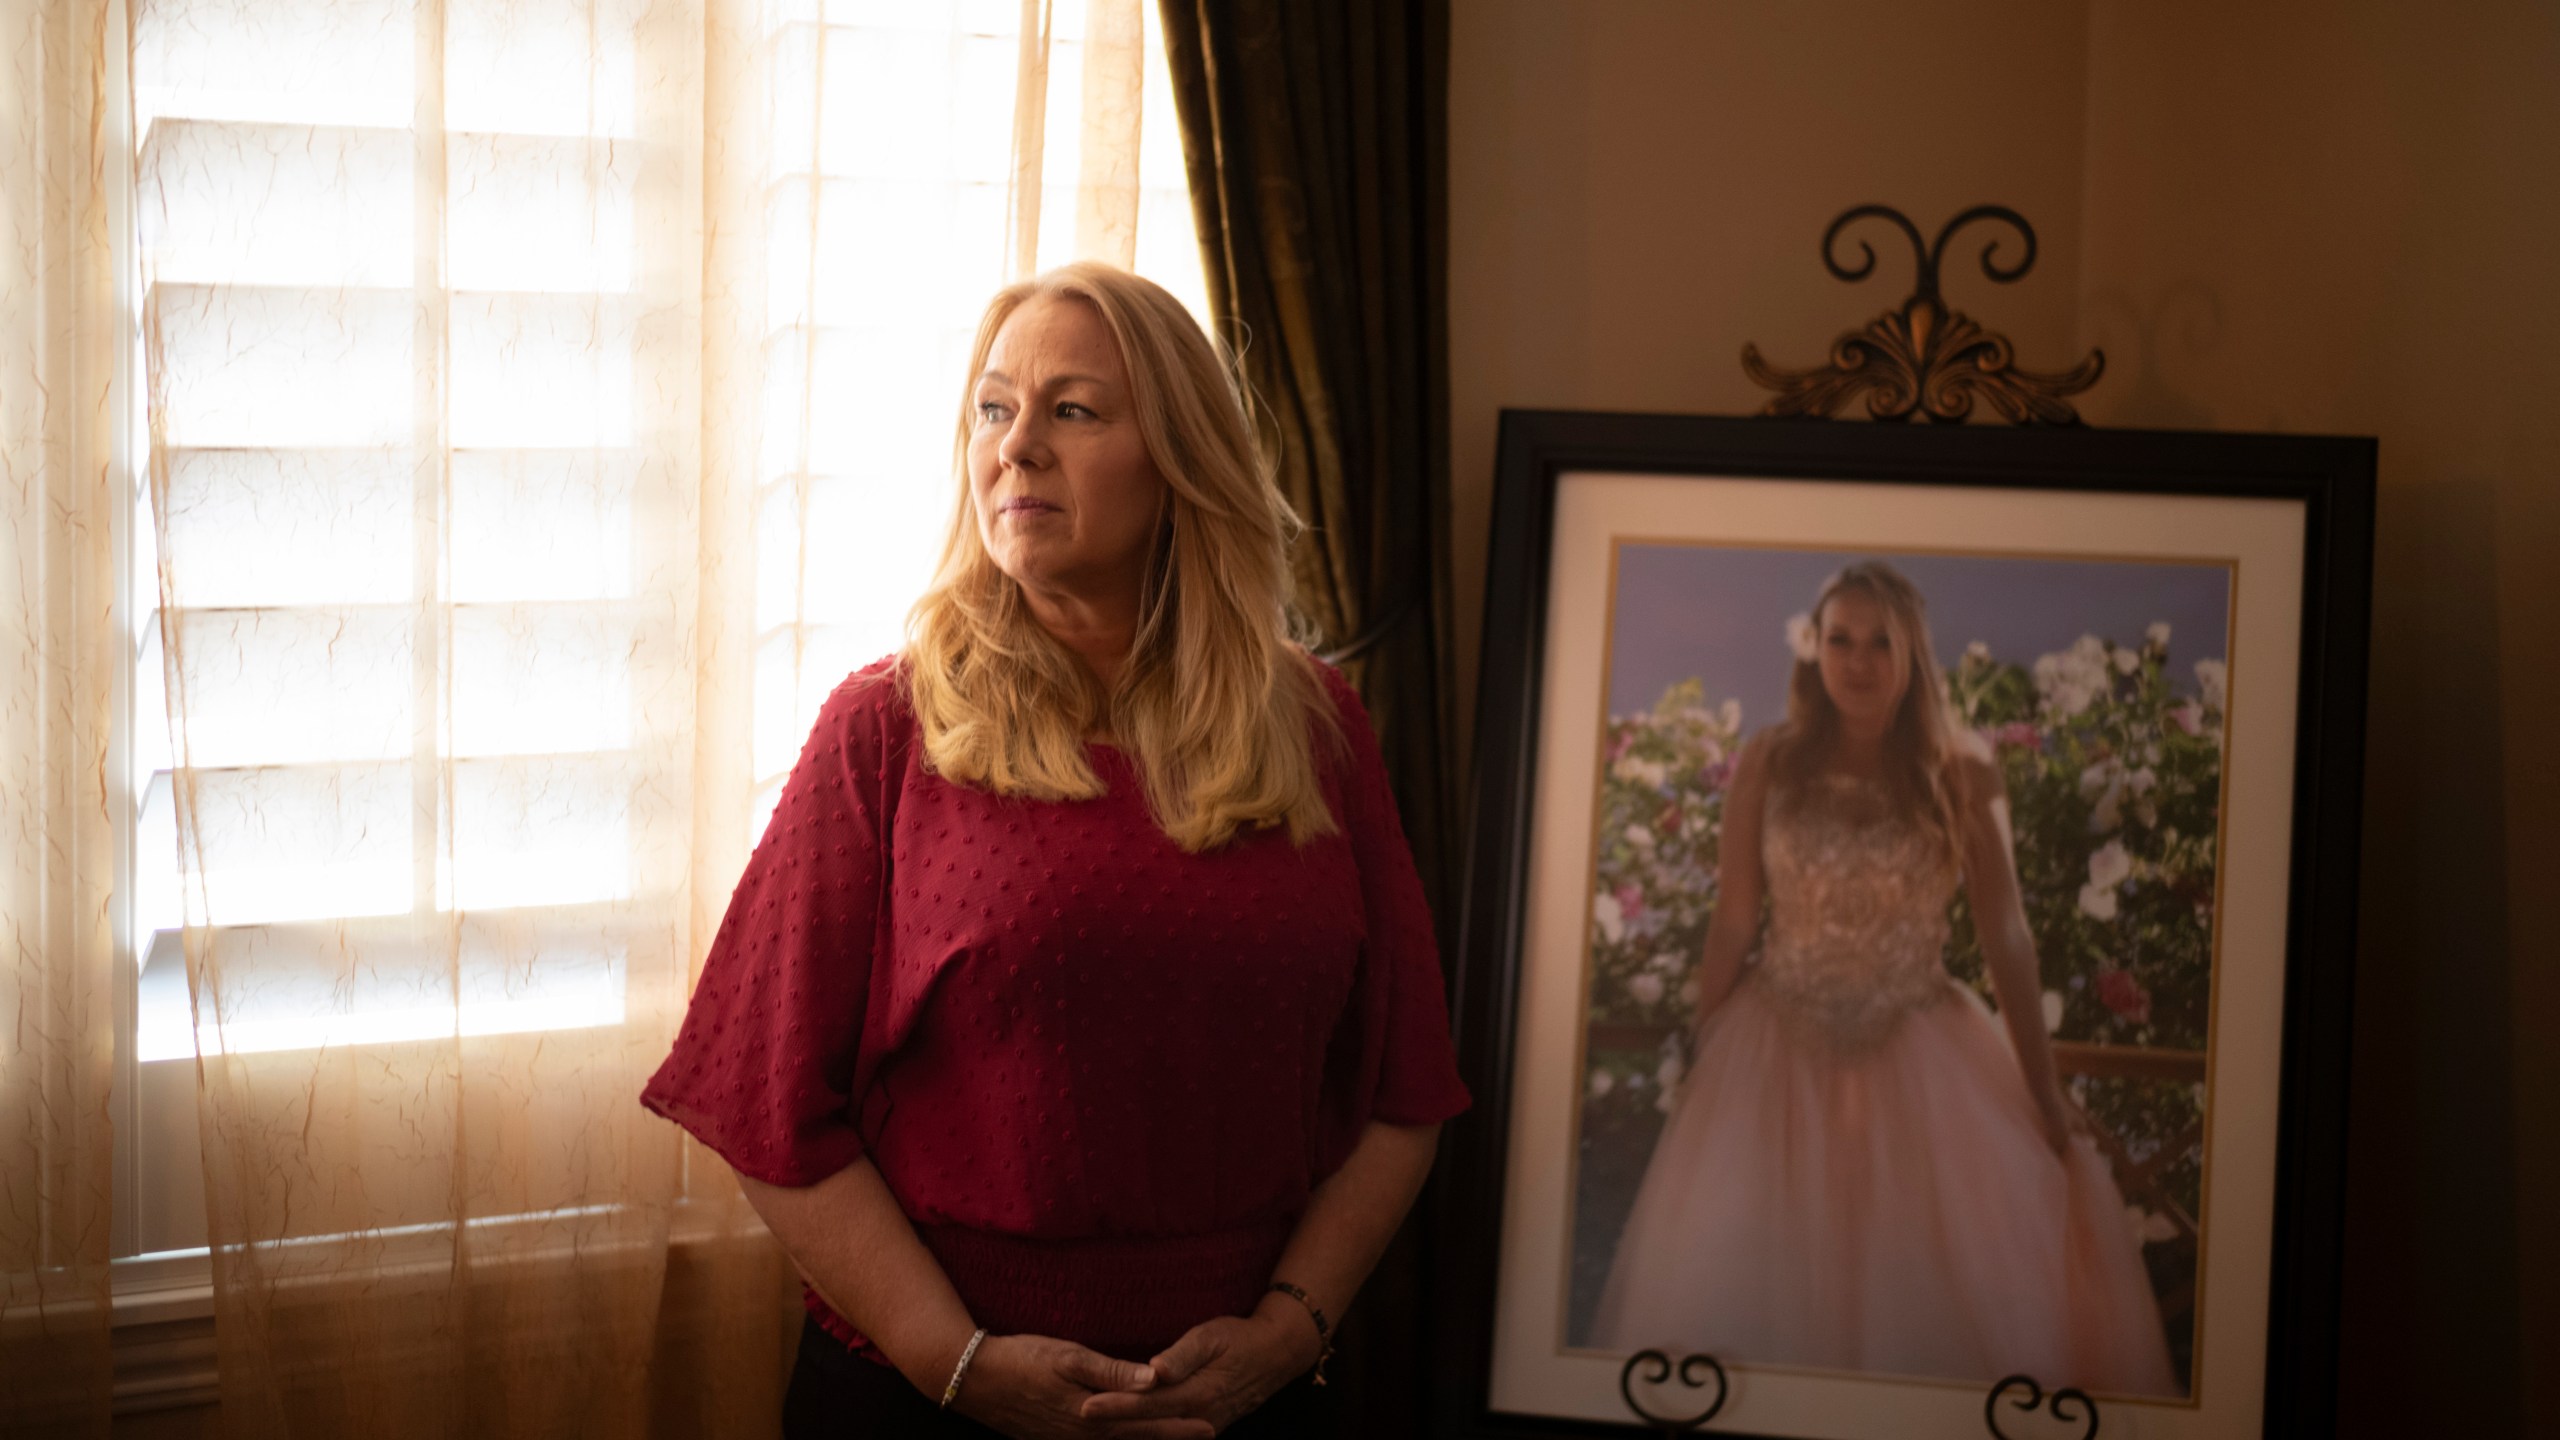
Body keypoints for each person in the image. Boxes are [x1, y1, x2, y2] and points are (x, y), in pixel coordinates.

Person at [640, 261, 1469, 1438]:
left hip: (1245, 1403)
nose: (1015, 447)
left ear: (1181, 462)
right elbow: (766, 1107)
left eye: (1071, 410)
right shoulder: (884, 729)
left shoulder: (1317, 727)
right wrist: (955, 1362)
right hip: (930, 1399)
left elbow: (1404, 1089)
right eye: (993, 408)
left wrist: (1292, 1330)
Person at [1587, 561, 2178, 1396]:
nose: (1857, 661)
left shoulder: (1961, 770)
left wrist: (2044, 1090)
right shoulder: (1770, 760)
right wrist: (1700, 1043)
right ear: (1814, 650)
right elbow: (1733, 917)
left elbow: (2006, 933)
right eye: (1840, 639)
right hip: (1774, 1048)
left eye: (1879, 642)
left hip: (1922, 1049)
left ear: (1912, 655)